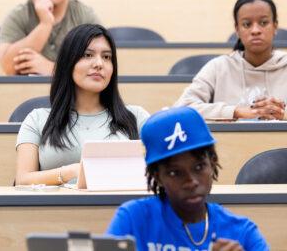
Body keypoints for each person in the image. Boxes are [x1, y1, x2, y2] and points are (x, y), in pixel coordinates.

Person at [107, 107, 269, 251]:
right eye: (175, 173)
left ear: (212, 163)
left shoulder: (241, 233)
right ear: (157, 176)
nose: (191, 181)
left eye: (198, 167)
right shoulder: (133, 219)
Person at [15, 24, 149, 185]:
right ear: (68, 62)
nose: (99, 63)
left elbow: (160, 170)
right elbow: (22, 180)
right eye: (87, 55)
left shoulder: (137, 117)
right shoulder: (37, 119)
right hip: (56, 209)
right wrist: (71, 171)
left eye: (107, 57)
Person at [175, 0, 287, 120]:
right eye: (247, 24)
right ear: (237, 29)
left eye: (263, 23)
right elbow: (181, 107)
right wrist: (234, 111)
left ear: (275, 26)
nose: (255, 30)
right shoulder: (218, 67)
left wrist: (282, 114)